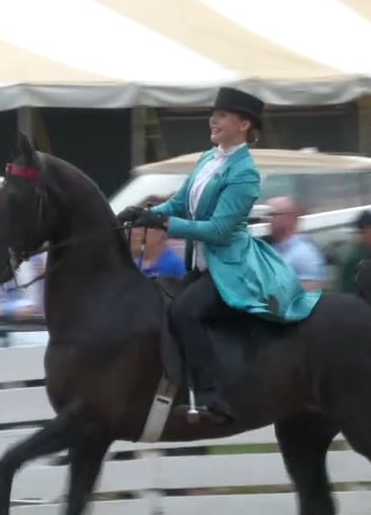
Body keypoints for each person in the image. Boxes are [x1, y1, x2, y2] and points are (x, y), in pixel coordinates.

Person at [117, 86, 319, 424]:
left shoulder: (245, 173)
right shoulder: (208, 159)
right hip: (200, 265)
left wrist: (165, 224)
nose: (213, 120)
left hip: (231, 268)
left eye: (222, 115)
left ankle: (212, 396)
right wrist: (146, 213)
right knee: (159, 301)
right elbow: (180, 204)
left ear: (244, 124)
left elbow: (219, 230)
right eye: (213, 114)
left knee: (185, 312)